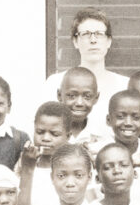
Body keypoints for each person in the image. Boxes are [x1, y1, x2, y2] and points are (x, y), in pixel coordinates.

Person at [43, 8, 130, 138]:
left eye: (99, 34)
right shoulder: (55, 82)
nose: (93, 40)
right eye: (85, 34)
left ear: (109, 41)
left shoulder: (126, 85)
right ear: (75, 41)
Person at [88, 90, 140, 202]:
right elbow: (87, 195)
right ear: (109, 120)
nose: (128, 123)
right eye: (120, 116)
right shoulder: (93, 153)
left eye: (136, 117)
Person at [17, 101, 70, 205]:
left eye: (54, 134)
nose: (46, 138)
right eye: (40, 132)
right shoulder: (22, 165)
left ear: (68, 135)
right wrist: (27, 169)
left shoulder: (76, 167)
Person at [58, 66, 102, 146]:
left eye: (87, 96)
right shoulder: (49, 133)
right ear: (59, 95)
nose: (79, 103)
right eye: (72, 95)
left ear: (96, 97)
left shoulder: (102, 136)